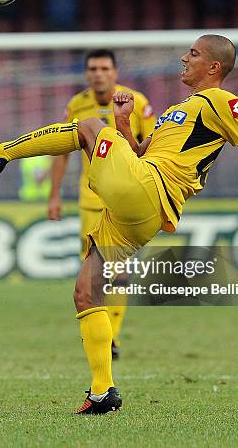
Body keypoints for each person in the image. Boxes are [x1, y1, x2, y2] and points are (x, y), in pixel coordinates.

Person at [0, 34, 238, 414]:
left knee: (87, 125)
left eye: (195, 54)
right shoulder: (177, 112)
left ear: (214, 67)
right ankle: (103, 392)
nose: (184, 58)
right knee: (86, 294)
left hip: (151, 190)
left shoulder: (221, 100)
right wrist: (120, 122)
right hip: (141, 210)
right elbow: (134, 153)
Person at [48, 49, 154, 359]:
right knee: (94, 272)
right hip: (91, 199)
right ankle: (100, 331)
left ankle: (112, 338)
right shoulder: (77, 105)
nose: (98, 73)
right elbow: (62, 150)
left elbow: (153, 144)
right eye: (93, 68)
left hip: (126, 199)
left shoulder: (138, 103)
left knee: (118, 271)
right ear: (86, 73)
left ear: (115, 72)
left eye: (104, 68)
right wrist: (54, 195)